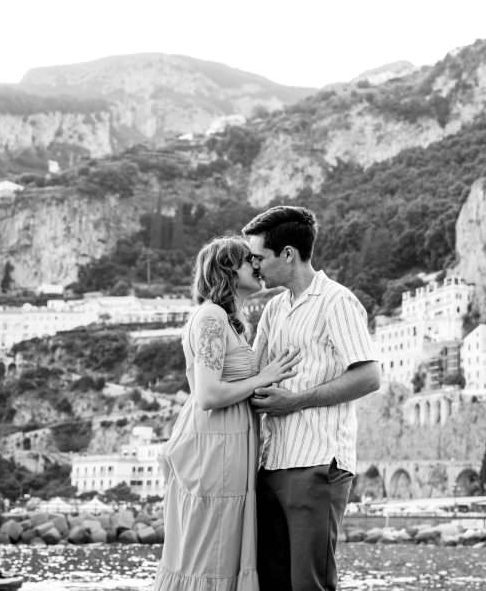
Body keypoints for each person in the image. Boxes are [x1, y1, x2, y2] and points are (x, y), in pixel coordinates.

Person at [242, 206, 380, 591]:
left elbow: (369, 377)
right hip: (271, 463)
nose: (254, 267)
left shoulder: (338, 302)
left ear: (287, 254)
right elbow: (254, 374)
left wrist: (295, 401)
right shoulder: (273, 309)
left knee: (309, 584)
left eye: (259, 258)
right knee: (271, 582)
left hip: (318, 463)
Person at [153, 236, 299, 591]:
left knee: (220, 551)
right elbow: (207, 394)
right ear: (228, 269)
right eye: (249, 260)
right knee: (209, 555)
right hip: (212, 449)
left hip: (227, 445)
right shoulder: (211, 317)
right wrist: (262, 377)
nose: (257, 265)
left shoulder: (228, 322)